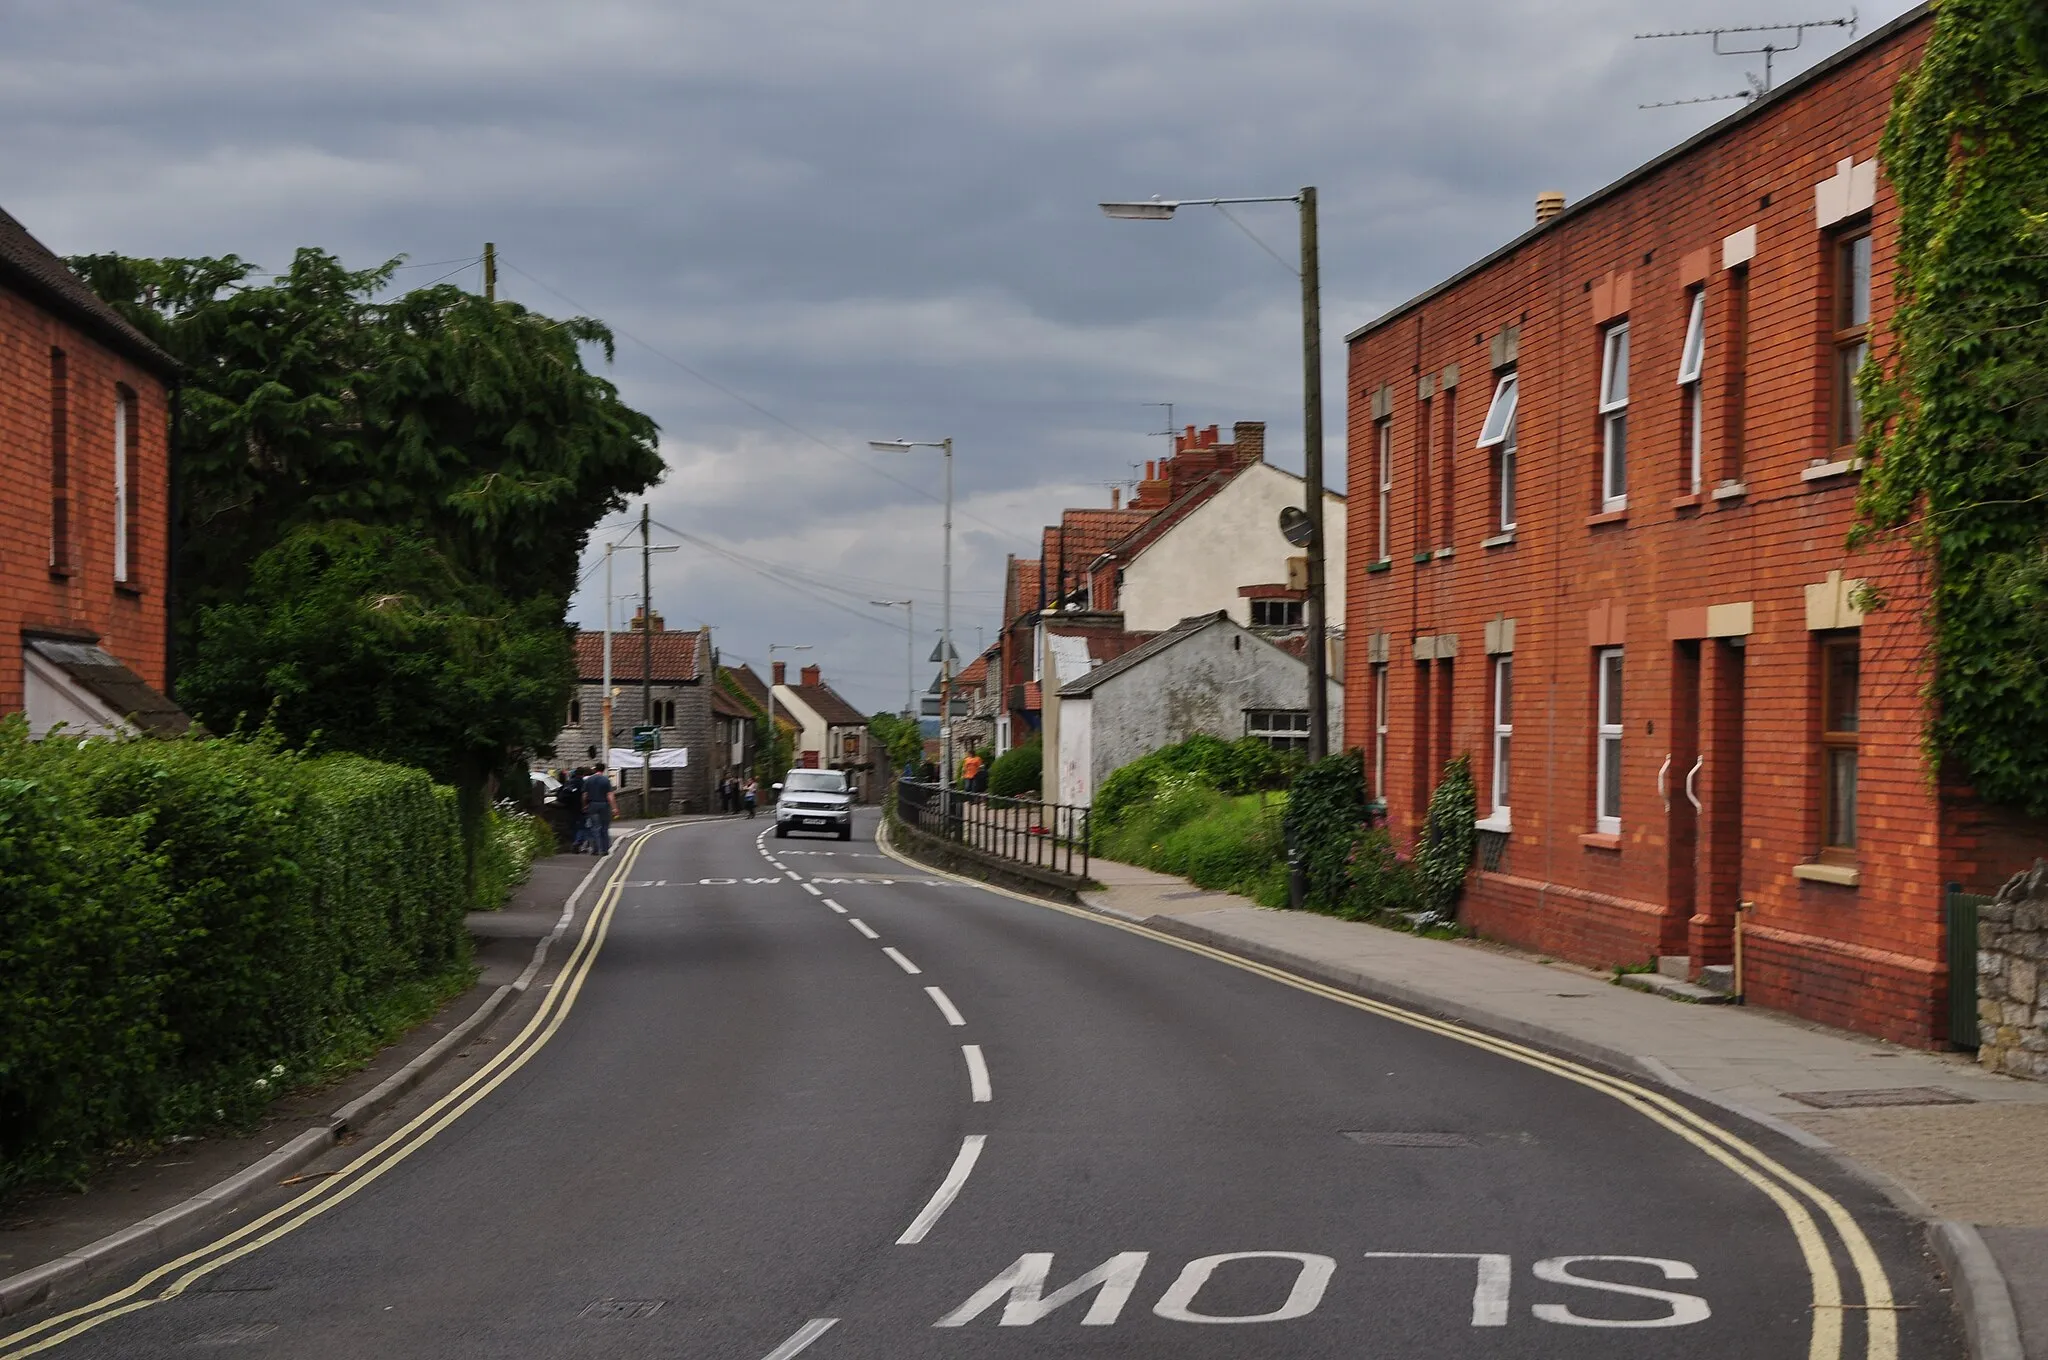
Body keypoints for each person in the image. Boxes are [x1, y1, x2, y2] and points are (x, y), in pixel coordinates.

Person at [583, 763, 618, 854]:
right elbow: (610, 795)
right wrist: (614, 808)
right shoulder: (606, 780)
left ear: (595, 769)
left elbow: (584, 795)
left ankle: (595, 849)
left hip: (592, 805)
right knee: (604, 828)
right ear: (603, 770)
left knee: (594, 828)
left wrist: (585, 805)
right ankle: (605, 849)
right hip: (604, 805)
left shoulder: (589, 780)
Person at [562, 767, 590, 853]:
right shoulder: (583, 783)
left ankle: (574, 843)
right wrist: (585, 806)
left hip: (569, 808)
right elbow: (585, 796)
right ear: (583, 774)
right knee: (583, 827)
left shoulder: (568, 782)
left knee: (573, 827)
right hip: (581, 808)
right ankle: (578, 843)